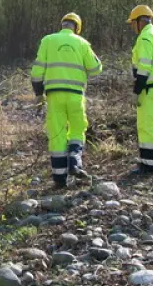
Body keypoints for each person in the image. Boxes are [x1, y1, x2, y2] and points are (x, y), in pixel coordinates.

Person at [30, 13, 102, 188]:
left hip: (54, 95)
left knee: (57, 134)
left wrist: (39, 94)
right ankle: (75, 160)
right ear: (77, 28)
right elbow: (96, 68)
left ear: (62, 25)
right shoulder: (82, 43)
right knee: (78, 127)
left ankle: (59, 179)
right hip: (76, 95)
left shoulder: (48, 41)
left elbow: (36, 71)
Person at [127, 5, 153, 175]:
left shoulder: (145, 38)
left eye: (132, 23)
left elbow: (144, 68)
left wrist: (137, 90)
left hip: (149, 89)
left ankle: (148, 164)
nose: (132, 27)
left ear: (139, 21)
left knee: (147, 126)